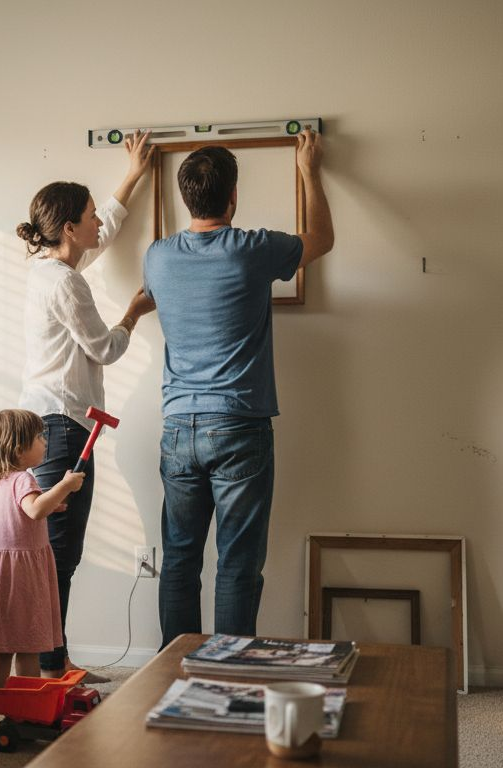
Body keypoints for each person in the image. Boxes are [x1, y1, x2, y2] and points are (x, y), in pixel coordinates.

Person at [143, 129, 334, 648]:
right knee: (238, 562)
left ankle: (170, 671)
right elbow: (321, 240)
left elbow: (154, 296)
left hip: (178, 427)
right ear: (232, 198)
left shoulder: (157, 257)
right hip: (238, 425)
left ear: (185, 197)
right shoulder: (252, 250)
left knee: (180, 558)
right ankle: (228, 673)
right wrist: (309, 171)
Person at [16, 131, 157, 679]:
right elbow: (105, 348)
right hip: (62, 425)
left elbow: (105, 231)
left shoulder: (52, 270)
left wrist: (133, 174)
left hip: (53, 421)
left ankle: (54, 659)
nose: (100, 224)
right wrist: (134, 313)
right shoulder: (67, 286)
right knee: (60, 552)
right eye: (91, 216)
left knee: (59, 551)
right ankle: (52, 664)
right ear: (70, 227)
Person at [0, 408, 85, 689]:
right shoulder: (24, 478)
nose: (44, 442)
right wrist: (65, 485)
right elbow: (34, 510)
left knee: (3, 645)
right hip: (21, 574)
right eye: (39, 437)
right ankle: (27, 702)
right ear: (19, 448)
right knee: (28, 644)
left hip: (0, 572)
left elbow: (21, 512)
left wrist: (51, 504)